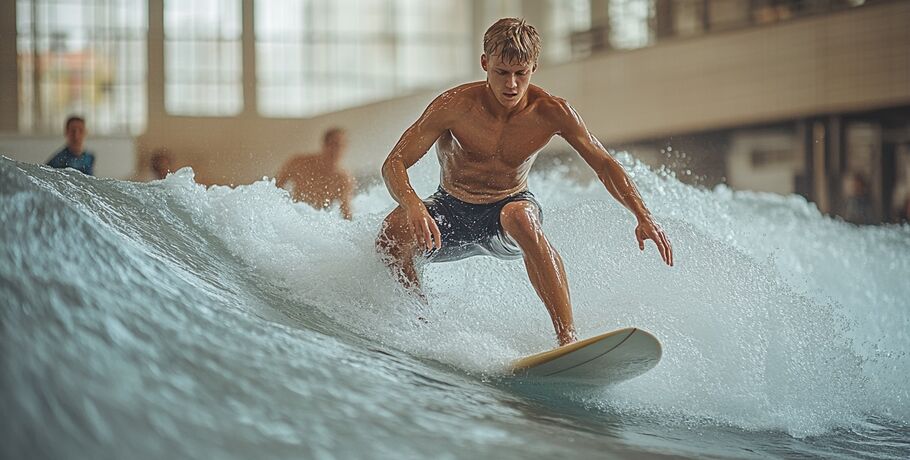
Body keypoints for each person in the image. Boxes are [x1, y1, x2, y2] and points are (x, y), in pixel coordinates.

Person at [376, 18, 673, 347]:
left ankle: (567, 338)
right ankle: (418, 316)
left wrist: (643, 215)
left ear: (534, 67)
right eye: (502, 72)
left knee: (520, 217)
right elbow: (395, 163)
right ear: (485, 63)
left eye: (522, 73)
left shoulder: (553, 112)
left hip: (508, 209)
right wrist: (414, 204)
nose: (512, 85)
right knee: (390, 233)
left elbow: (604, 163)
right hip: (452, 208)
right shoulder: (455, 106)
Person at [275, 128, 354, 220]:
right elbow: (276, 187)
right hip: (295, 216)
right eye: (334, 144)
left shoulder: (343, 179)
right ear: (324, 144)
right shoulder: (298, 163)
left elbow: (346, 212)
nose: (337, 150)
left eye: (341, 145)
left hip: (318, 222)